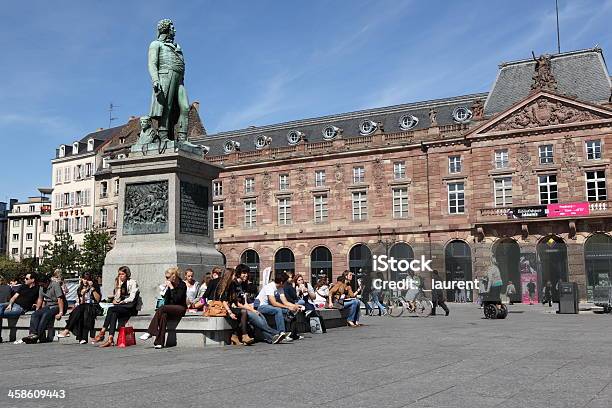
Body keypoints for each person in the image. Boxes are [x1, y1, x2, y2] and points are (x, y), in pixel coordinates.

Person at [94, 266, 141, 348]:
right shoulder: (119, 283)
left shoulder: (133, 282)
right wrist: (118, 286)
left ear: (127, 274)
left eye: (122, 274)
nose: (120, 276)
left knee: (111, 309)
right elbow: (117, 298)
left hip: (130, 308)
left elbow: (132, 298)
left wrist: (121, 302)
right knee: (113, 313)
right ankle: (110, 339)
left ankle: (102, 331)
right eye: (119, 274)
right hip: (121, 307)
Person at [140, 267, 187, 348]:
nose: (166, 279)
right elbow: (167, 301)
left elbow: (177, 300)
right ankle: (159, 342)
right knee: (163, 315)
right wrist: (165, 291)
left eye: (168, 277)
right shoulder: (169, 285)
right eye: (166, 277)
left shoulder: (182, 285)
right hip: (170, 308)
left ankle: (150, 332)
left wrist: (172, 288)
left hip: (180, 308)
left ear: (174, 276)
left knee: (162, 308)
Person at [57, 272, 101, 344]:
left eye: (87, 279)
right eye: (84, 279)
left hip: (93, 307)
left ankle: (67, 330)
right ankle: (82, 338)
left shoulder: (95, 286)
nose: (85, 281)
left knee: (82, 309)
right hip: (83, 307)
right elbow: (82, 303)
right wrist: (83, 295)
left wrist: (92, 289)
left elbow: (98, 299)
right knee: (81, 313)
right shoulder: (80, 288)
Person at [21, 274, 66, 344]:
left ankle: (37, 336)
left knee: (46, 315)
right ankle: (32, 334)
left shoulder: (55, 285)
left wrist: (60, 312)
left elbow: (60, 299)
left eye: (42, 285)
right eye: (40, 285)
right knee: (35, 314)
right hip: (49, 305)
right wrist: (37, 310)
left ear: (47, 282)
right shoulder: (41, 287)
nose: (41, 286)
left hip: (58, 305)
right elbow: (40, 299)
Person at [0, 272, 40, 343]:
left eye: (27, 278)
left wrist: (37, 307)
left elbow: (40, 299)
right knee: (0, 305)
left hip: (20, 308)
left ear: (32, 280)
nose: (25, 280)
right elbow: (14, 297)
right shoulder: (22, 286)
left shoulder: (37, 288)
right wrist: (10, 304)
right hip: (13, 304)